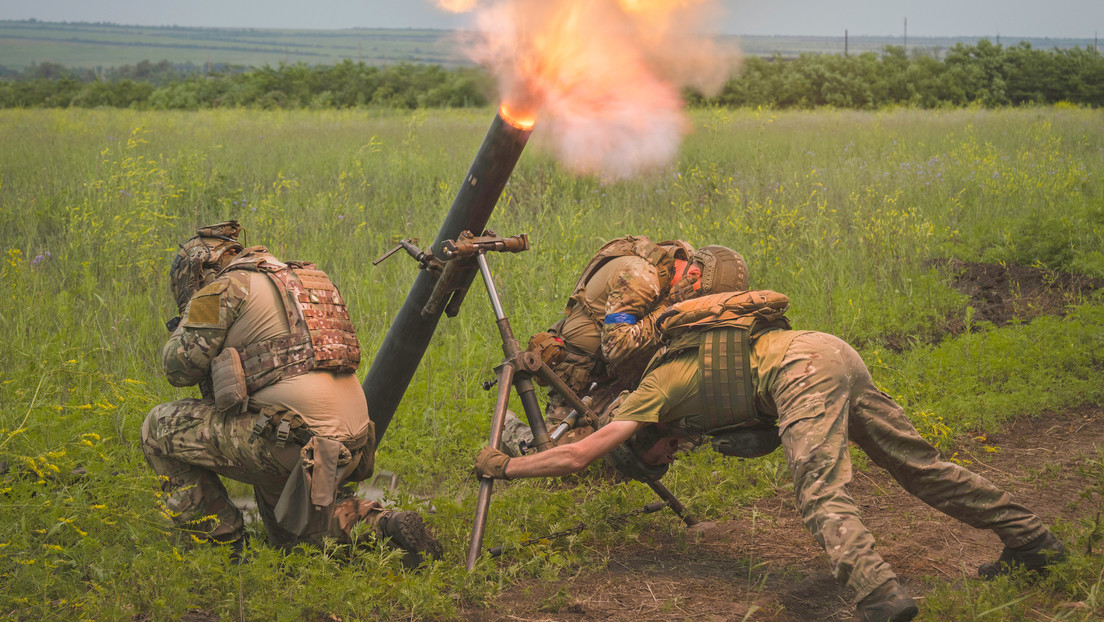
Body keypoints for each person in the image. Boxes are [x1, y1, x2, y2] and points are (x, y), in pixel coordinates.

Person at [476, 245, 1065, 622]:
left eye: (657, 457)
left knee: (820, 489)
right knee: (917, 466)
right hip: (829, 351)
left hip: (800, 372)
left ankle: (879, 599)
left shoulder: (652, 392)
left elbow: (579, 455)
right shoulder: (676, 383)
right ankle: (1033, 540)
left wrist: (504, 467)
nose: (669, 456)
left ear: (642, 436)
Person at [142, 221, 442, 567]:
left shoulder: (224, 287)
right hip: (352, 443)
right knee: (291, 536)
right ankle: (383, 525)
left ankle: (219, 548)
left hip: (292, 441)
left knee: (158, 428)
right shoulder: (305, 279)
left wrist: (186, 318)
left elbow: (178, 367)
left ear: (198, 271)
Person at [504, 237, 748, 454]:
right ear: (694, 276)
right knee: (555, 455)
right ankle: (507, 426)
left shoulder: (684, 266)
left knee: (664, 443)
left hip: (625, 368)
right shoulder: (642, 277)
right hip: (588, 371)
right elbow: (615, 346)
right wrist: (671, 310)